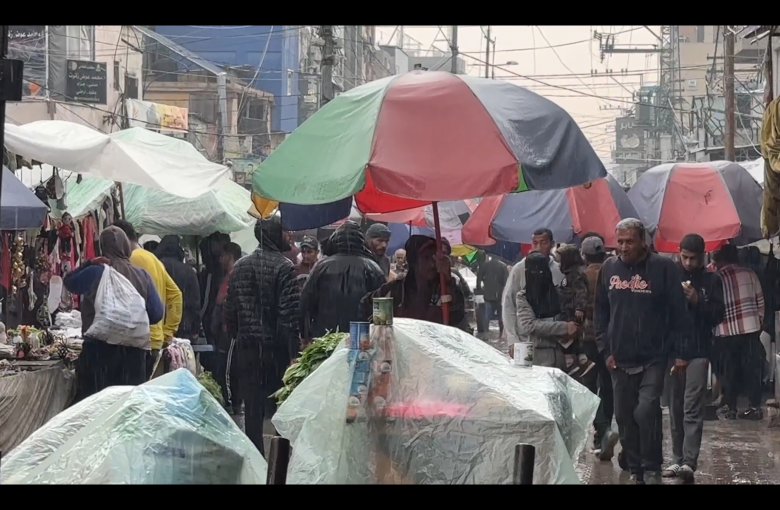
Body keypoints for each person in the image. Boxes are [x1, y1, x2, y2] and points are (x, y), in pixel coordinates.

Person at [594, 218, 692, 485]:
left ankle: (652, 467)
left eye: (629, 242)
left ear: (643, 241)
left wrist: (681, 352)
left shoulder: (663, 268)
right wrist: (605, 350)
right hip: (619, 358)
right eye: (620, 242)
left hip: (654, 356)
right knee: (624, 417)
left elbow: (679, 312)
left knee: (646, 411)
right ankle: (636, 470)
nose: (624, 247)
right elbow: (600, 312)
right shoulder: (609, 268)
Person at [224, 217, 299, 456]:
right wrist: (293, 353)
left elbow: (230, 308)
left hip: (246, 346)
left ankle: (255, 458)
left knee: (252, 408)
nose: (288, 236)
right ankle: (279, 459)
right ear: (274, 235)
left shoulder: (240, 266)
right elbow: (288, 315)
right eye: (284, 231)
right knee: (280, 404)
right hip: (275, 349)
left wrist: (237, 334)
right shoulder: (284, 267)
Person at [64, 226, 164, 402]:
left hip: (98, 353)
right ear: (126, 247)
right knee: (127, 408)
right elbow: (156, 313)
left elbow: (69, 282)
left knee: (96, 407)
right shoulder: (142, 276)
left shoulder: (97, 272)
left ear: (102, 247)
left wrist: (90, 262)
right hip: (134, 357)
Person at [662, 234, 725, 483]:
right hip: (672, 352)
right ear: (679, 253)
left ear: (703, 256)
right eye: (684, 257)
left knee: (692, 408)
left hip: (699, 350)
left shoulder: (712, 279)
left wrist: (698, 301)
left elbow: (718, 315)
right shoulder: (670, 276)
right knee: (675, 408)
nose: (688, 263)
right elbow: (663, 315)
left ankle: (689, 461)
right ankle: (676, 459)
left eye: (693, 258)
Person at [113, 220, 183, 379]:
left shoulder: (130, 259)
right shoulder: (153, 259)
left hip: (137, 341)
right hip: (155, 339)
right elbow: (176, 295)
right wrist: (168, 331)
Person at [300, 222, 386, 345]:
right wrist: (382, 339)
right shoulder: (373, 268)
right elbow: (383, 310)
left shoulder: (321, 267)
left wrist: (304, 335)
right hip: (359, 340)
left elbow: (305, 303)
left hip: (324, 339)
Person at [360, 235, 466, 329]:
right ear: (413, 261)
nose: (432, 264)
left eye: (435, 258)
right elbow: (366, 306)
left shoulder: (443, 287)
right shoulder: (395, 289)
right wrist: (383, 325)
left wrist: (448, 281)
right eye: (426, 258)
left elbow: (458, 317)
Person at [711, 243, 765, 421]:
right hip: (750, 329)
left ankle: (732, 408)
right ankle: (754, 407)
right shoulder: (750, 274)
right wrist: (759, 322)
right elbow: (760, 302)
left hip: (725, 332)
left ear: (722, 259)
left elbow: (714, 306)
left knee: (729, 371)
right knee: (751, 370)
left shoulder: (717, 278)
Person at [580, 235, 620, 462]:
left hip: (587, 340)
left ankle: (601, 430)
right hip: (608, 340)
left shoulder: (581, 277)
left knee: (588, 388)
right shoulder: (611, 274)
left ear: (584, 256)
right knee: (607, 387)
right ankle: (604, 432)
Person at [513, 251, 579, 369]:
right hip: (538, 356)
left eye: (541, 271)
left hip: (560, 354)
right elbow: (529, 325)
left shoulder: (558, 293)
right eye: (533, 272)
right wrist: (564, 327)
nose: (538, 275)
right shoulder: (523, 297)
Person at [502, 228, 564, 345]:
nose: (539, 247)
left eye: (543, 243)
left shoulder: (559, 270)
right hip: (525, 339)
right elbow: (508, 305)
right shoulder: (519, 269)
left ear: (552, 244)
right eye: (535, 243)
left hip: (554, 340)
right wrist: (512, 339)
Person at [213, 242, 243, 415]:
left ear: (229, 256)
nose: (220, 260)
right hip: (230, 329)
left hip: (230, 330)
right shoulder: (230, 275)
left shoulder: (234, 276)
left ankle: (232, 402)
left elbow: (223, 301)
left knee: (228, 368)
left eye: (222, 256)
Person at [156, 235, 201, 340]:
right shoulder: (189, 271)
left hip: (159, 324)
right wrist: (196, 327)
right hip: (184, 325)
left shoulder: (155, 267)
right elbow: (195, 303)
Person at [477, 254, 509, 337]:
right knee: (501, 316)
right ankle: (501, 334)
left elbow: (479, 279)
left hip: (488, 295)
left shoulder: (484, 265)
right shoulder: (503, 266)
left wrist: (480, 289)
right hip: (500, 296)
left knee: (487, 315)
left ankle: (486, 333)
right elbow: (507, 283)